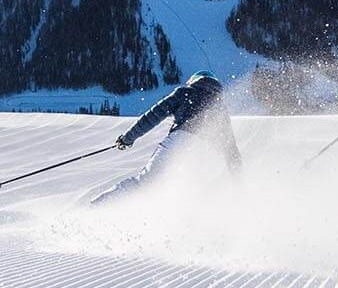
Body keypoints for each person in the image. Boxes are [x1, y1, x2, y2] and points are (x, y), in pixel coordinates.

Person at [91, 71, 242, 204]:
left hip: (180, 141)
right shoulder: (219, 106)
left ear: (194, 81)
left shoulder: (185, 92)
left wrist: (127, 139)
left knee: (145, 183)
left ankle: (97, 206)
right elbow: (230, 147)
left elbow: (152, 116)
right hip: (202, 153)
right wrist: (238, 179)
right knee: (185, 195)